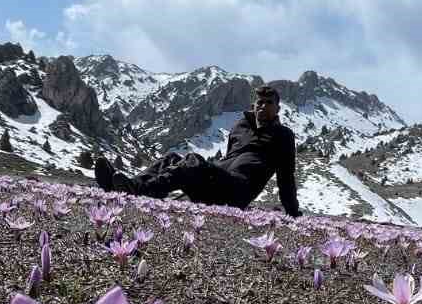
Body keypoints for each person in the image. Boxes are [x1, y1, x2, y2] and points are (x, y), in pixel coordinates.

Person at [94, 85, 302, 217]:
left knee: (193, 160)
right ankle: (130, 186)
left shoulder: (283, 135)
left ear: (278, 109)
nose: (263, 106)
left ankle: (139, 192)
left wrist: (293, 212)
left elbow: (286, 178)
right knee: (172, 158)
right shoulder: (241, 126)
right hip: (216, 182)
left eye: (269, 103)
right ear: (253, 105)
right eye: (260, 102)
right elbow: (230, 156)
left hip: (237, 191)